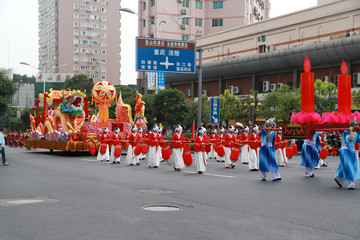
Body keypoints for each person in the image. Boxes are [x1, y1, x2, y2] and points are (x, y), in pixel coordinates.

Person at [334, 119, 360, 190]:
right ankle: (351, 184)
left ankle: (339, 178)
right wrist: (351, 131)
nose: (356, 127)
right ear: (351, 126)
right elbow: (351, 139)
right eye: (355, 125)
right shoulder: (346, 132)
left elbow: (358, 140)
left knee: (345, 166)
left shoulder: (356, 134)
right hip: (345, 150)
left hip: (352, 150)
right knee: (349, 166)